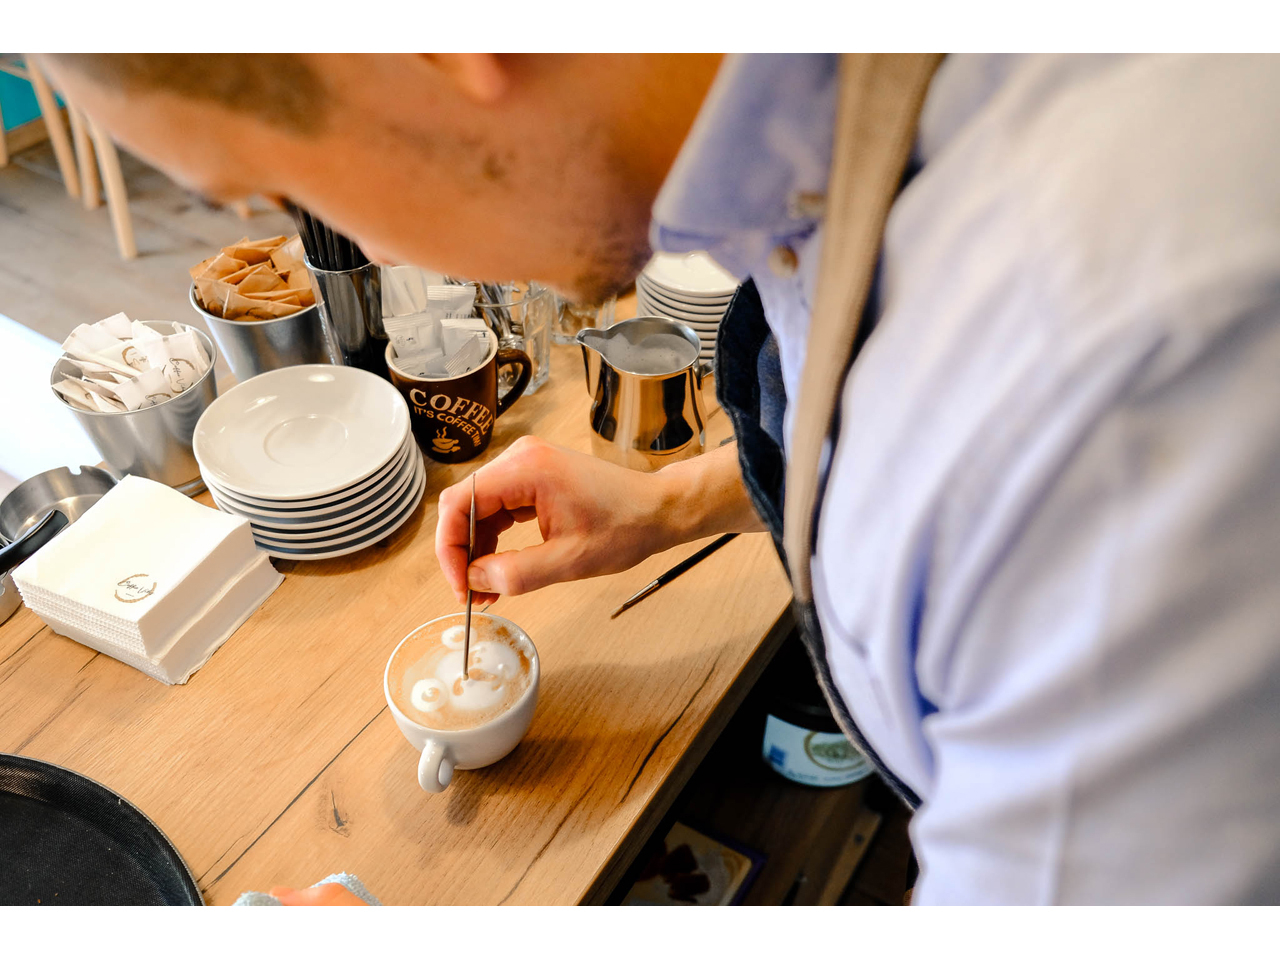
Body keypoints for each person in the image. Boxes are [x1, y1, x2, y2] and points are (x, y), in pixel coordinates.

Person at [40, 53, 1280, 904]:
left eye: (287, 190)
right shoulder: (853, 133)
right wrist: (675, 501)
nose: (354, 249)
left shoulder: (1108, 386)